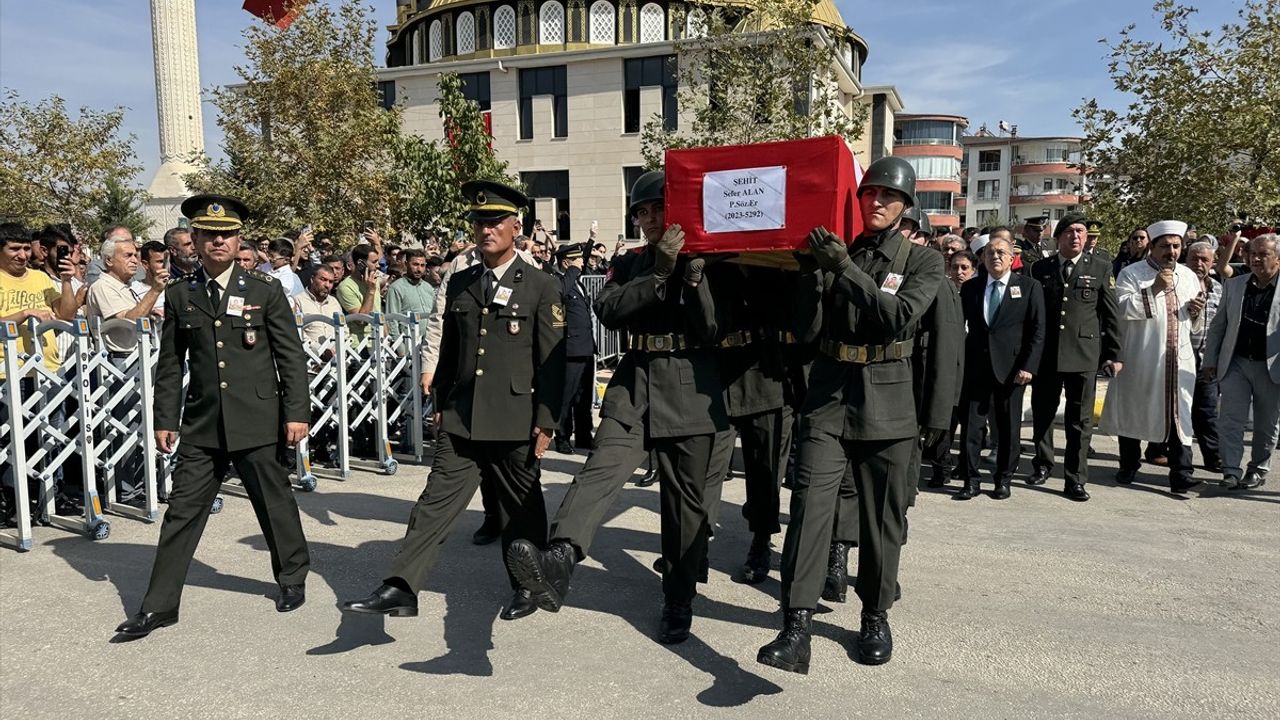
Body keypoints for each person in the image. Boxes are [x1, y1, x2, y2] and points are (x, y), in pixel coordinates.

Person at [505, 169, 729, 645]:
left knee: (684, 504)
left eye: (656, 210)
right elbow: (610, 308)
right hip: (637, 380)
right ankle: (559, 559)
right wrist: (660, 272)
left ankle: (679, 597)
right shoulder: (630, 263)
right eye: (641, 212)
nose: (649, 220)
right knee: (599, 469)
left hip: (691, 383)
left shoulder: (709, 259)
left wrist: (692, 278)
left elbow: (711, 329)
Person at [340, 180, 565, 622]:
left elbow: (552, 362)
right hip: (462, 417)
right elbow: (452, 349)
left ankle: (528, 583)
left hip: (515, 417)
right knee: (434, 503)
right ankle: (402, 585)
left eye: (495, 221)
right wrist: (441, 399)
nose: (485, 230)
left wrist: (547, 419)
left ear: (515, 226)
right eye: (479, 222)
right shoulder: (461, 281)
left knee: (521, 506)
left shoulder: (540, 285)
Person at [757, 156, 943, 672]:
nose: (877, 201)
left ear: (905, 205)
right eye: (869, 194)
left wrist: (843, 268)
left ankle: (875, 615)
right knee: (809, 512)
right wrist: (810, 276)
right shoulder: (841, 251)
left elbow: (899, 316)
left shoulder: (922, 262)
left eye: (888, 195)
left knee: (882, 519)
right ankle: (795, 627)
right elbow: (809, 330)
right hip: (830, 396)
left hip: (888, 401)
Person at [114, 194, 311, 639]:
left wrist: (296, 412)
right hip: (203, 424)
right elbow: (170, 364)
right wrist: (165, 419)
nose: (218, 241)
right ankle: (159, 605)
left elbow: (290, 357)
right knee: (182, 511)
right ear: (195, 241)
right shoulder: (182, 295)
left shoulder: (264, 290)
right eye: (209, 234)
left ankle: (292, 577)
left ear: (239, 239)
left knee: (274, 502)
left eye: (226, 234)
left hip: (259, 417)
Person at [419, 233, 537, 547]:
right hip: (467, 377)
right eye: (480, 223)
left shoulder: (526, 265)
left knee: (508, 461)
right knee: (477, 458)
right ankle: (491, 517)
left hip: (508, 382)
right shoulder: (460, 266)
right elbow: (439, 320)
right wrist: (430, 365)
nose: (487, 231)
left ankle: (522, 532)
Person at [1100, 221, 1202, 494]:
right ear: (1152, 247)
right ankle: (1128, 464)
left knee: (1181, 416)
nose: (1172, 251)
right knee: (1135, 409)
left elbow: (1195, 323)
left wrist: (1195, 312)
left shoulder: (1189, 276)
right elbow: (1121, 309)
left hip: (1178, 359)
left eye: (1177, 246)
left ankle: (1182, 474)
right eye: (1166, 246)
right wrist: (1154, 288)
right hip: (1141, 357)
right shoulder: (1132, 274)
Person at [1026, 215, 1122, 501]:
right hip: (1047, 356)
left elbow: (1110, 314)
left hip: (1083, 355)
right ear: (1058, 237)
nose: (1076, 236)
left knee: (1079, 422)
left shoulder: (1102, 268)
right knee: (1042, 415)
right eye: (1069, 232)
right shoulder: (1039, 268)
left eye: (1080, 232)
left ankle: (1075, 478)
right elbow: (1032, 315)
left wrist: (1114, 354)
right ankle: (1042, 464)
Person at [955, 236, 1045, 500]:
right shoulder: (971, 288)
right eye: (990, 253)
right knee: (972, 428)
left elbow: (1038, 330)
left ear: (1011, 258)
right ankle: (970, 481)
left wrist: (1029, 366)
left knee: (1007, 429)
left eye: (1001, 252)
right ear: (982, 258)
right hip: (976, 367)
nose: (995, 257)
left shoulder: (1028, 287)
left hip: (1012, 370)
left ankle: (1003, 480)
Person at [1202, 234, 1280, 490]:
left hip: (1271, 366)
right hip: (1235, 362)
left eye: (1263, 254)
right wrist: (1210, 361)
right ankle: (1231, 470)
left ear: (1277, 259)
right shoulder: (1235, 285)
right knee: (1230, 419)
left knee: (1266, 423)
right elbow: (1218, 327)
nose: (1255, 259)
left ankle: (1257, 469)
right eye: (1251, 254)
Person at [87, 234, 169, 356]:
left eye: (135, 256)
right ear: (109, 260)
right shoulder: (102, 286)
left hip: (140, 356)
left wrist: (149, 312)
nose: (135, 261)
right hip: (121, 362)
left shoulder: (126, 286)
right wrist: (155, 291)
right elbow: (130, 321)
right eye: (128, 256)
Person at [552, 243, 596, 454]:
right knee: (566, 397)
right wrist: (571, 271)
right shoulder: (558, 280)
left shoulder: (577, 283)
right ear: (566, 262)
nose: (581, 264)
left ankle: (584, 436)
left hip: (585, 347)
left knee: (584, 397)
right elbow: (558, 294)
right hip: (570, 348)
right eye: (577, 260)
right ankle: (562, 438)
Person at [1184, 241, 1223, 472]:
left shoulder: (1218, 288)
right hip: (1179, 359)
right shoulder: (1176, 285)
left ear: (1212, 262)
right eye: (1194, 259)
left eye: (1204, 260)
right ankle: (1161, 451)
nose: (1199, 264)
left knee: (1207, 411)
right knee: (1177, 412)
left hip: (1207, 362)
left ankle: (1214, 457)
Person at [334, 244, 383, 340]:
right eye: (374, 262)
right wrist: (370, 291)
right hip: (361, 344)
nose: (378, 266)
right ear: (360, 263)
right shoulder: (345, 287)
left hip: (380, 340)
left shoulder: (373, 281)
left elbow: (379, 313)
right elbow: (361, 320)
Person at [383, 248, 436, 335]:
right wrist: (400, 347)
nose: (419, 269)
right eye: (415, 264)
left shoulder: (428, 287)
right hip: (408, 342)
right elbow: (392, 320)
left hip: (430, 341)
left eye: (422, 265)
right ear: (406, 264)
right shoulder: (396, 288)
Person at [295, 264, 343, 352]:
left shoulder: (334, 302)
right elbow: (297, 332)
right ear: (312, 279)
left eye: (331, 282)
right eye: (323, 280)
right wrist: (320, 350)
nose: (327, 285)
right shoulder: (298, 301)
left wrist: (340, 348)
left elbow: (344, 328)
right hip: (310, 358)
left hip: (337, 357)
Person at [132, 241, 171, 321]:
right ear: (145, 264)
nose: (166, 266)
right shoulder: (134, 289)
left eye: (167, 261)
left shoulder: (176, 286)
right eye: (160, 262)